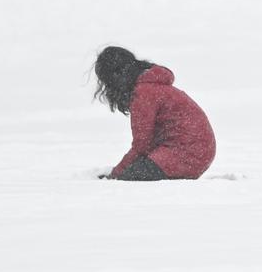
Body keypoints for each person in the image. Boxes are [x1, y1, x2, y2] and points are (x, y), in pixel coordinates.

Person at [93, 46, 217, 181]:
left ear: (115, 78)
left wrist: (115, 174)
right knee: (135, 171)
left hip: (185, 154)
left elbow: (141, 145)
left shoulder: (144, 94)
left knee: (127, 179)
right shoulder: (152, 87)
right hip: (198, 153)